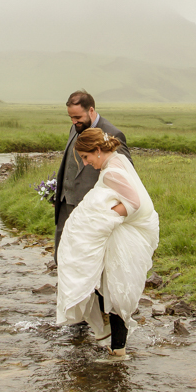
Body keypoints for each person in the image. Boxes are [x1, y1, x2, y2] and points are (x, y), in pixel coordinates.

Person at [54, 128, 158, 359]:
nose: (86, 163)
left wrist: (103, 218)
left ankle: (118, 351)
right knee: (109, 285)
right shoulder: (116, 160)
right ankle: (114, 343)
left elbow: (134, 203)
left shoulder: (112, 172)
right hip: (118, 233)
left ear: (98, 150)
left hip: (119, 237)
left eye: (86, 157)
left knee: (114, 287)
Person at [51, 91, 129, 249]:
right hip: (65, 204)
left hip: (92, 211)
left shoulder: (112, 134)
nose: (74, 122)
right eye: (71, 117)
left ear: (91, 110)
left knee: (84, 254)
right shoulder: (75, 128)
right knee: (62, 252)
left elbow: (125, 175)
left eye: (77, 117)